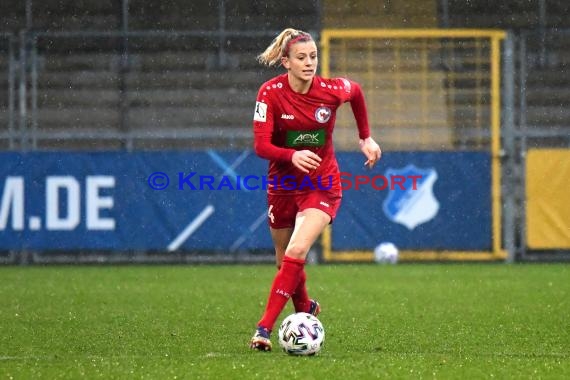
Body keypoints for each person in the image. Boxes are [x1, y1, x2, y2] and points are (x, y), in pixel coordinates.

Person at [250, 28, 382, 351]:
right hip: (282, 183)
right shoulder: (269, 93)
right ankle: (305, 310)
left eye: (313, 57)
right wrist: (291, 155)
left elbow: (357, 91)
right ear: (286, 62)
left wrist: (365, 137)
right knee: (285, 263)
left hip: (322, 184)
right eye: (301, 58)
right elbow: (261, 145)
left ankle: (263, 329)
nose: (310, 63)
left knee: (296, 252)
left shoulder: (329, 90)